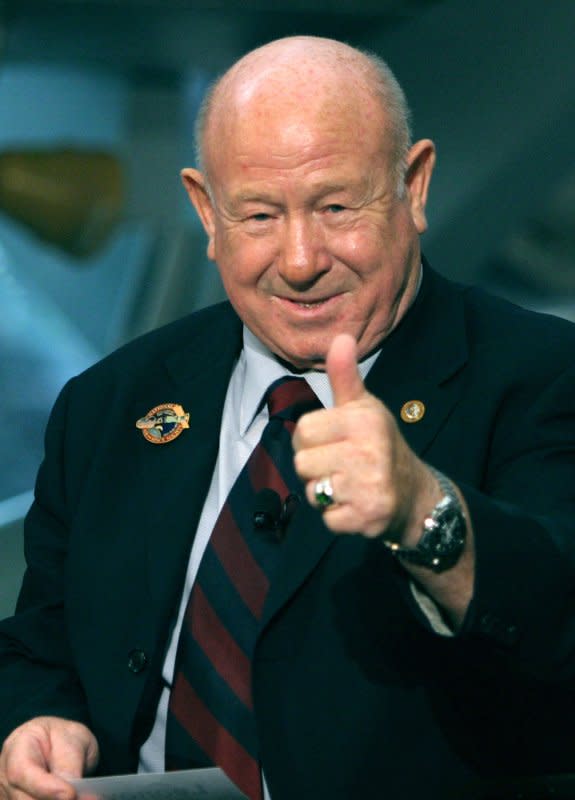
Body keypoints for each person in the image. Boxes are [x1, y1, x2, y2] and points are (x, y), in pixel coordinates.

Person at [1, 34, 574, 800]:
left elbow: (559, 620)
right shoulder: (111, 401)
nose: (300, 259)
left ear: (415, 186)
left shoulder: (540, 374)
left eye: (336, 206)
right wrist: (41, 720)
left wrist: (422, 510)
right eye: (260, 215)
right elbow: (42, 644)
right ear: (206, 212)